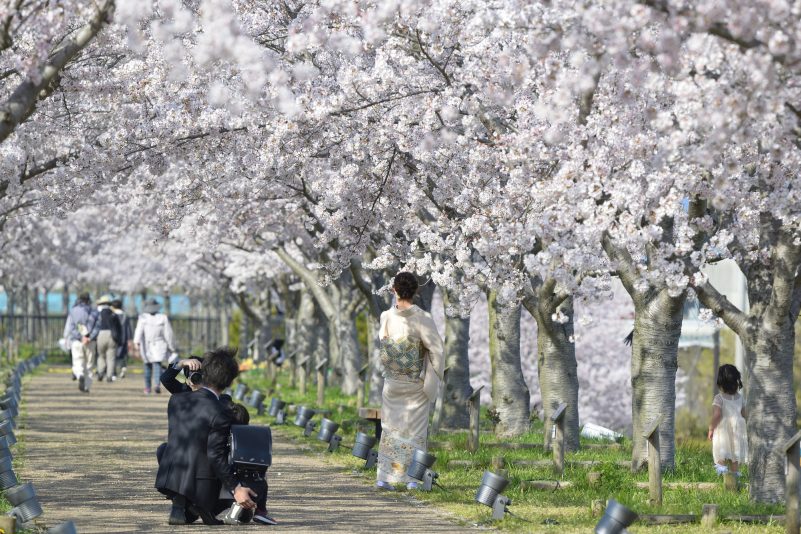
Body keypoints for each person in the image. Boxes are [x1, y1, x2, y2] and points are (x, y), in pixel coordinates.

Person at [155, 347, 257, 525]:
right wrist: (237, 488)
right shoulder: (221, 409)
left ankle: (184, 504)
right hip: (203, 482)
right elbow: (215, 455)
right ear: (230, 381)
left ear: (205, 374)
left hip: (170, 478)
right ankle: (202, 506)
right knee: (229, 456)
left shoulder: (177, 400)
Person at [375, 272, 444, 490]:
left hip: (392, 382)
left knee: (391, 429)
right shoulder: (423, 318)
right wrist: (430, 379)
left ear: (394, 289)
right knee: (415, 431)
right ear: (416, 291)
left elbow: (383, 342)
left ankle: (386, 476)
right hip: (414, 383)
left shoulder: (386, 316)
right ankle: (412, 479)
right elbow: (438, 351)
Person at [227, 403, 277, 526]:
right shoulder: (248, 439)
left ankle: (241, 511)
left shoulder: (220, 435)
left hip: (222, 482)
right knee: (261, 481)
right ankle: (260, 510)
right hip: (244, 486)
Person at [708, 364, 748, 477]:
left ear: (721, 382)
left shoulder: (719, 398)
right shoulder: (740, 398)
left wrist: (711, 428)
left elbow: (717, 414)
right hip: (738, 430)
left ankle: (722, 474)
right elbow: (745, 414)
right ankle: (735, 477)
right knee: (734, 456)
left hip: (723, 431)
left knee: (721, 452)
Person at [134, 298, 176, 395]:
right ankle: (156, 385)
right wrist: (172, 346)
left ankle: (148, 387)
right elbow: (168, 334)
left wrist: (136, 343)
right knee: (157, 365)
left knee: (147, 367)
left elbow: (138, 331)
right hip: (159, 344)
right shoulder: (162, 317)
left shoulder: (143, 317)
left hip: (147, 345)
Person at [62, 292, 100, 393]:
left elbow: (72, 327)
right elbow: (97, 327)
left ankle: (79, 375)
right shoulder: (95, 312)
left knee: (78, 361)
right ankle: (87, 386)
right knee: (89, 364)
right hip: (90, 342)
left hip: (77, 342)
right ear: (89, 300)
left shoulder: (73, 311)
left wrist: (80, 337)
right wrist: (89, 337)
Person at [95, 295, 122, 383]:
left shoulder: (98, 313)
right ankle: (109, 376)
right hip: (112, 335)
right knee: (111, 357)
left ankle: (100, 372)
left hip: (101, 334)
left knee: (101, 356)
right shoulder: (113, 313)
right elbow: (118, 327)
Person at [111, 299, 133, 380]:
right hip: (124, 339)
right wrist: (130, 339)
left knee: (113, 356)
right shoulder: (125, 316)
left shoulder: (112, 315)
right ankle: (123, 368)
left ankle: (113, 373)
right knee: (122, 355)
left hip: (113, 338)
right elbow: (128, 329)